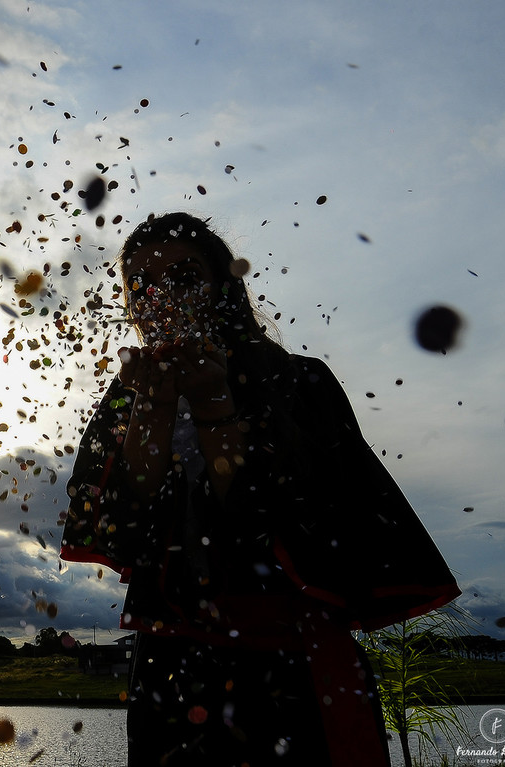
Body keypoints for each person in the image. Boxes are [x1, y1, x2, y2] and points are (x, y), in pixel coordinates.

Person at [60, 213, 460, 767]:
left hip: (292, 660)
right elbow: (122, 536)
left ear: (224, 285)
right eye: (142, 287)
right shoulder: (127, 399)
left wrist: (214, 405)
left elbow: (272, 524)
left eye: (183, 277)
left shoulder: (300, 381)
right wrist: (151, 409)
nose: (162, 298)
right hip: (170, 667)